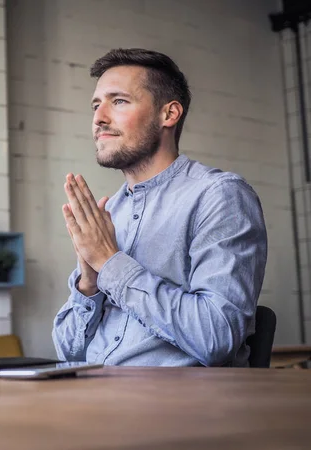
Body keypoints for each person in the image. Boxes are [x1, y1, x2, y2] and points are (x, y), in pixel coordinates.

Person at [52, 48, 267, 367]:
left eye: (119, 101)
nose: (99, 118)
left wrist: (110, 263)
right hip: (97, 396)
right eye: (96, 105)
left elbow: (216, 338)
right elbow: (67, 353)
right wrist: (89, 282)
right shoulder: (113, 214)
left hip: (176, 407)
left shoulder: (219, 196)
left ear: (169, 114)